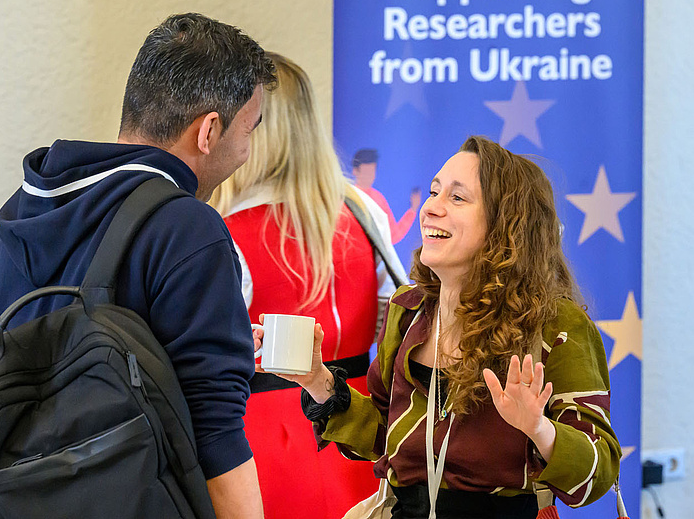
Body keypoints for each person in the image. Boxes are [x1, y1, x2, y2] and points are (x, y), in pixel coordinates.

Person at [0, 13, 276, 519]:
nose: (246, 150)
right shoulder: (185, 228)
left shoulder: (20, 214)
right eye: (249, 130)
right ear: (208, 131)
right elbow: (214, 431)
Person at [258, 136, 621, 519]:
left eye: (457, 197)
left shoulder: (556, 323)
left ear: (505, 224)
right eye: (434, 192)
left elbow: (597, 473)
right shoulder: (409, 310)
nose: (431, 207)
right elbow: (384, 435)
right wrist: (318, 380)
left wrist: (538, 428)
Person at [209, 52, 406, 519]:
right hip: (362, 433)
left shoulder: (222, 228)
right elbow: (396, 322)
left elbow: (207, 362)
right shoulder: (362, 209)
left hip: (261, 447)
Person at [352, 148, 422, 244]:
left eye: (372, 171)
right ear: (355, 171)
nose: (370, 176)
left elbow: (393, 236)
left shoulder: (378, 199)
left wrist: (413, 210)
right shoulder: (347, 197)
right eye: (366, 172)